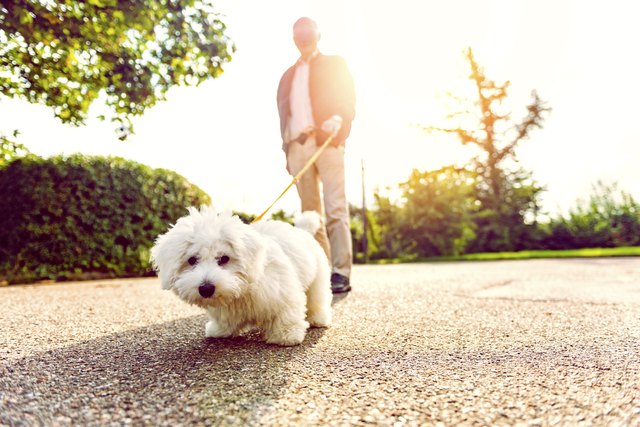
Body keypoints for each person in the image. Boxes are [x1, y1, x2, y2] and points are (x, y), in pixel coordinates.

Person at [276, 17, 356, 294]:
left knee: (335, 208)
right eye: (297, 33)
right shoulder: (286, 76)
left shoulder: (334, 64)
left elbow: (347, 98)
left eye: (308, 31)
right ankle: (321, 271)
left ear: (318, 34)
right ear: (293, 39)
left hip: (328, 142)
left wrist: (338, 118)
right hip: (297, 147)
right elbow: (283, 118)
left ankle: (341, 272)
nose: (303, 37)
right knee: (310, 215)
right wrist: (287, 151)